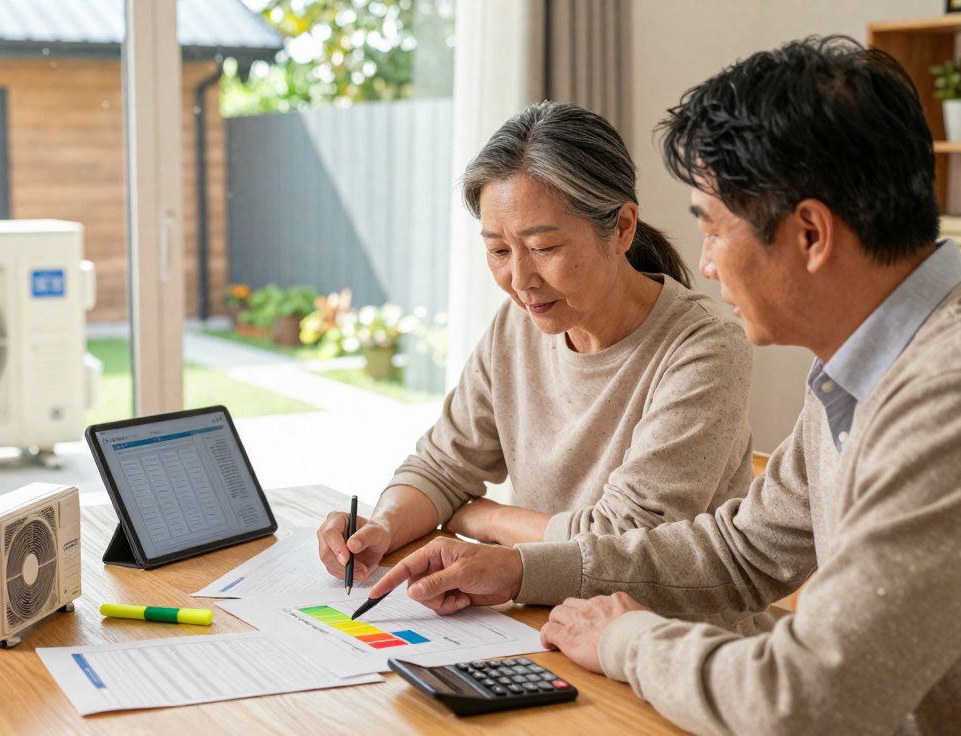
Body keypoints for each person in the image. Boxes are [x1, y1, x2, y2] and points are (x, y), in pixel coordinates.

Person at [366, 36, 961, 734]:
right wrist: (518, 570)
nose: (706, 263)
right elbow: (741, 550)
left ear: (811, 234)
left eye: (714, 229)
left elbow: (806, 696)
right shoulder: (863, 367)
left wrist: (625, 639)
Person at [317, 101, 755, 590]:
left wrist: (488, 519)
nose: (520, 280)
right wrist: (382, 526)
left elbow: (623, 540)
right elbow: (442, 467)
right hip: (539, 613)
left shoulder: (704, 349)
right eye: (499, 250)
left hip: (659, 626)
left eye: (544, 248)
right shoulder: (518, 325)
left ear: (622, 228)